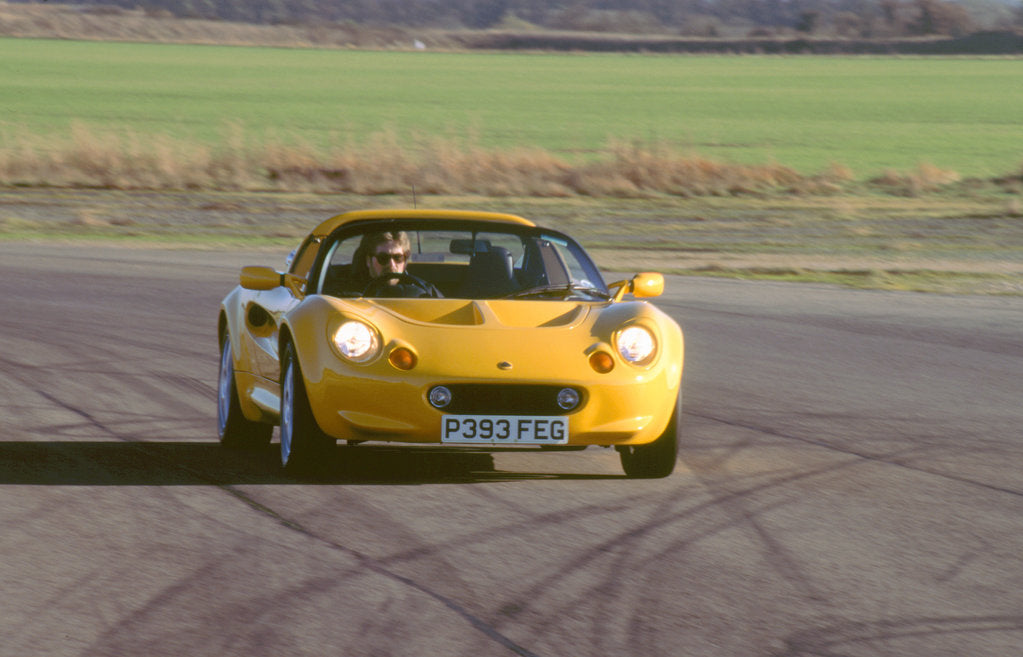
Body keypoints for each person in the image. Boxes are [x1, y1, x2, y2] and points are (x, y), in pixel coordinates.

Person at [354, 230, 441, 298]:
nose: (391, 265)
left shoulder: (427, 291)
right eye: (383, 258)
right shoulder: (348, 296)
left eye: (398, 257)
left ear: (405, 260)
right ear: (368, 261)